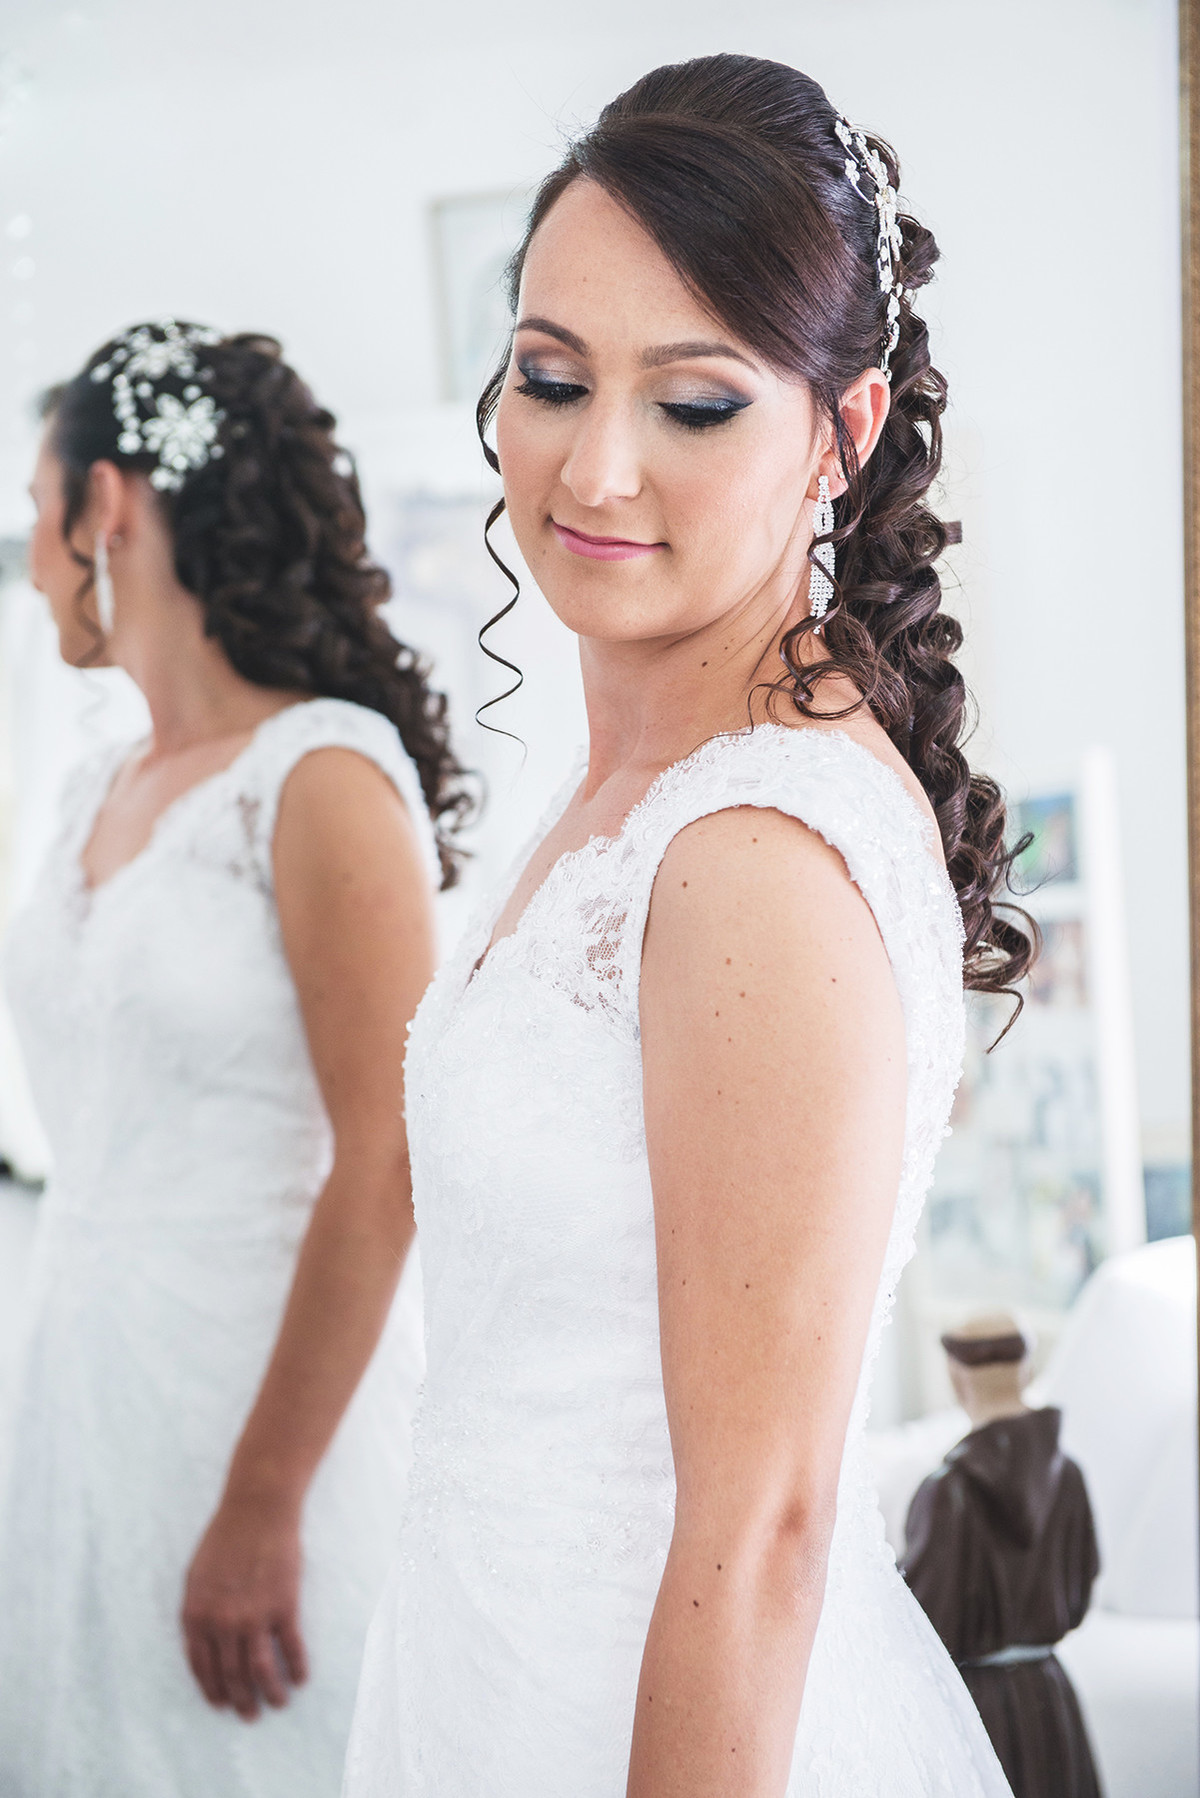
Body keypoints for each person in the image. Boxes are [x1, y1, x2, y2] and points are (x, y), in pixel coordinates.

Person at [344, 54, 1033, 1798]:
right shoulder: (644, 777)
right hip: (496, 1664)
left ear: (844, 431)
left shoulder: (747, 851)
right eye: (551, 377)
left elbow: (773, 1519)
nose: (596, 464)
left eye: (696, 404)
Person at [0, 321, 468, 1797]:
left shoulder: (320, 776)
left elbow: (389, 1160)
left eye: (36, 506)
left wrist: (265, 1499)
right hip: (83, 1387)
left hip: (264, 1413)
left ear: (110, 507)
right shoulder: (95, 777)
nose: (26, 554)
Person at [903, 1316, 1103, 1798]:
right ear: (1027, 1370)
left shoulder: (947, 1492)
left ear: (956, 1376)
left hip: (978, 1709)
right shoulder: (1070, 1476)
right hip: (1049, 1695)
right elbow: (1081, 1587)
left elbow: (923, 1626)